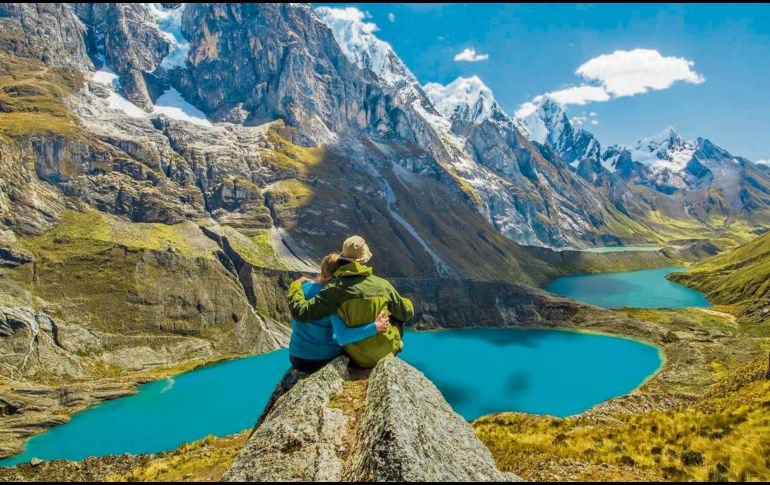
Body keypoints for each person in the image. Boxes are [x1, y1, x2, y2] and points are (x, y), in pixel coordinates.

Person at [287, 236, 414, 369]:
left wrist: (295, 285)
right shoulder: (380, 285)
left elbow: (301, 313)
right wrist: (376, 325)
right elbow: (343, 336)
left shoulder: (322, 290)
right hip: (329, 357)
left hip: (300, 357)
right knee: (396, 315)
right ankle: (393, 346)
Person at [289, 253, 390, 373]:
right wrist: (375, 326)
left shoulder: (303, 288)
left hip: (296, 358)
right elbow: (343, 336)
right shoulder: (332, 297)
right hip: (320, 360)